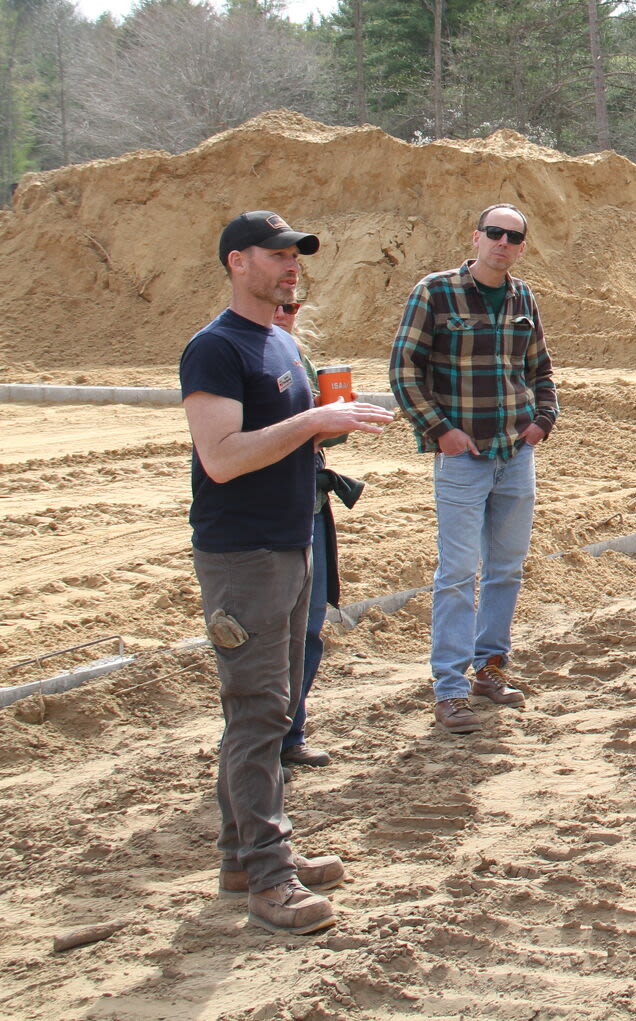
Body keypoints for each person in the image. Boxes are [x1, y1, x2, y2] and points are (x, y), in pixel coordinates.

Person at [181, 211, 392, 933]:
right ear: (237, 261)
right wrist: (310, 426)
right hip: (243, 554)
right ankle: (269, 879)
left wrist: (328, 420)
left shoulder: (278, 338)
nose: (291, 263)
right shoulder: (215, 348)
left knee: (270, 705)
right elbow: (223, 456)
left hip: (289, 539)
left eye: (296, 251)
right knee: (258, 711)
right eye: (277, 253)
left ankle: (245, 853)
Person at [390, 204, 559, 735]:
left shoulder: (523, 297)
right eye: (494, 233)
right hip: (463, 460)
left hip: (516, 455)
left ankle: (490, 669)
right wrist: (440, 431)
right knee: (459, 574)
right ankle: (450, 689)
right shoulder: (434, 292)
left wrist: (542, 421)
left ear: (522, 246)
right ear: (476, 237)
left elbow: (540, 369)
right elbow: (403, 369)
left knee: (506, 569)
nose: (502, 243)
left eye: (513, 236)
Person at [274, 300, 365, 769]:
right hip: (269, 513)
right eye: (276, 305)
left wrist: (335, 420)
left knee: (307, 633)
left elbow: (322, 438)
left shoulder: (297, 359)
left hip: (309, 503)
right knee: (268, 637)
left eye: (291, 306)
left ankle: (289, 735)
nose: (284, 313)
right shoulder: (239, 353)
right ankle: (260, 751)